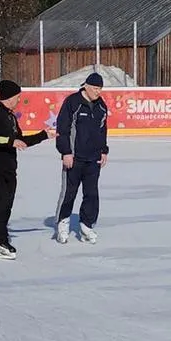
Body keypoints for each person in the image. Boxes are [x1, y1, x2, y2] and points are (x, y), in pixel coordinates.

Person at [0, 79, 54, 259]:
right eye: (17, 97)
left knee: (5, 205)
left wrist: (44, 135)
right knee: (0, 204)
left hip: (9, 167)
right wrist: (9, 141)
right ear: (9, 96)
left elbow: (21, 141)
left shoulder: (11, 116)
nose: (19, 100)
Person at [54, 71, 109, 244]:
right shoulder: (72, 103)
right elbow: (62, 129)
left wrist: (104, 151)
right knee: (69, 193)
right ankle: (63, 223)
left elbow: (102, 130)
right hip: (74, 158)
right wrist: (66, 152)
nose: (98, 92)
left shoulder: (101, 106)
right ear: (86, 86)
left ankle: (86, 225)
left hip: (93, 159)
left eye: (100, 88)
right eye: (95, 88)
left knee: (91, 194)